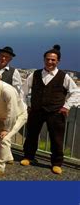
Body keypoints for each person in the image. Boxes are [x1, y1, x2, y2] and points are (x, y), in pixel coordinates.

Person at [21, 45, 79, 175]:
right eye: (48, 59)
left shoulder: (64, 76)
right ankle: (28, 156)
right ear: (44, 60)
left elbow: (76, 92)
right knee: (31, 135)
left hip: (56, 113)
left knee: (56, 138)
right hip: (36, 111)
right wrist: (26, 106)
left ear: (58, 61)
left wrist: (66, 106)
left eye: (53, 60)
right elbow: (22, 92)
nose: (50, 62)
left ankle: (57, 163)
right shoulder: (34, 74)